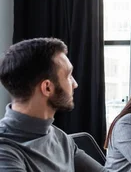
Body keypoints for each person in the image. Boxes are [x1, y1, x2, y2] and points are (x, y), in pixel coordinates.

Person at [0, 38, 105, 171]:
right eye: (68, 76)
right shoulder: (5, 151)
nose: (75, 84)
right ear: (47, 88)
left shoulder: (61, 138)